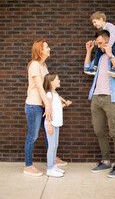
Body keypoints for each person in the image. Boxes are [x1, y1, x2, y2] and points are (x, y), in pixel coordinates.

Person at [84, 30, 115, 178]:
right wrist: (89, 51)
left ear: (108, 40)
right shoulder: (99, 55)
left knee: (114, 132)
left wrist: (110, 54)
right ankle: (105, 161)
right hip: (96, 98)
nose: (99, 46)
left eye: (101, 43)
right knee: (99, 131)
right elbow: (87, 68)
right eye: (97, 44)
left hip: (112, 99)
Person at [24, 39, 67, 177]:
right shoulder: (34, 65)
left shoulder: (44, 65)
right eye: (46, 47)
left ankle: (52, 160)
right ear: (40, 50)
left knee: (49, 133)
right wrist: (48, 105)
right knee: (33, 135)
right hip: (34, 105)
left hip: (42, 105)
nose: (49, 49)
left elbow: (48, 86)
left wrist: (60, 99)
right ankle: (28, 165)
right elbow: (39, 87)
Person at [43, 73, 72, 178]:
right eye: (57, 79)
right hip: (51, 124)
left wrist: (64, 104)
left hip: (56, 124)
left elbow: (55, 109)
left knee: (55, 145)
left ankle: (54, 166)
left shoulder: (55, 94)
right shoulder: (49, 95)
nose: (59, 81)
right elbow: (48, 109)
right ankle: (50, 169)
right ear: (51, 82)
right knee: (51, 146)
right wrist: (49, 124)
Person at [84, 11, 115, 77]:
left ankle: (114, 68)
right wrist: (93, 43)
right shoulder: (102, 30)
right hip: (109, 44)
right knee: (98, 51)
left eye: (95, 22)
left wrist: (109, 47)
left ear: (101, 19)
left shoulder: (110, 27)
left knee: (113, 50)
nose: (94, 24)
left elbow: (113, 37)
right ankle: (95, 68)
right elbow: (101, 39)